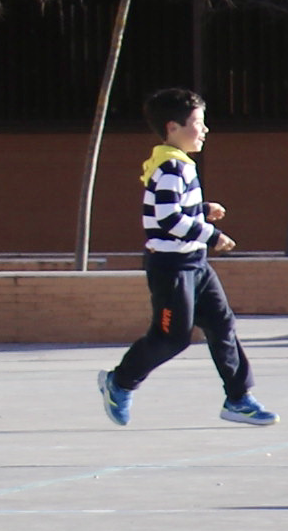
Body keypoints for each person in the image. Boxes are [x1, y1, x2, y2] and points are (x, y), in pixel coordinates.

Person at [99, 89, 272, 427]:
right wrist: (213, 235)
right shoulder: (170, 168)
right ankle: (119, 383)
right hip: (172, 269)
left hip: (196, 265)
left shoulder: (179, 165)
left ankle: (239, 398)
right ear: (173, 127)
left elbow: (176, 210)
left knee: (222, 324)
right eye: (198, 123)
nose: (204, 130)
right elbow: (168, 220)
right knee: (171, 338)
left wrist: (202, 210)